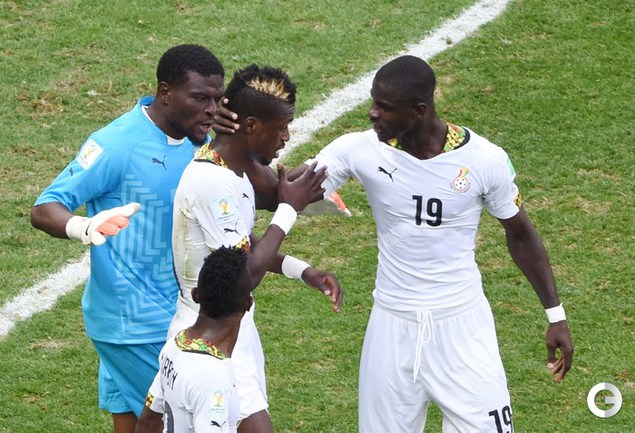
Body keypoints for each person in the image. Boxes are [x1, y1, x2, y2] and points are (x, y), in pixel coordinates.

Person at [215, 55, 574, 433]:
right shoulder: (359, 150)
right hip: (390, 325)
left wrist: (556, 315)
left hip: (462, 326)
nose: (372, 113)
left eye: (384, 107)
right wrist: (226, 138)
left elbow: (521, 234)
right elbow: (281, 191)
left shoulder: (485, 160)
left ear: (419, 110)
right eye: (373, 102)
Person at [31, 44, 226, 433]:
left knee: (131, 425)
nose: (211, 110)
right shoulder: (118, 143)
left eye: (217, 99)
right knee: (181, 424)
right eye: (200, 98)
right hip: (134, 323)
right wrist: (84, 227)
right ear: (165, 92)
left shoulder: (199, 141)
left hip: (166, 315)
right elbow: (45, 207)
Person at [168, 64, 343, 433]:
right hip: (209, 337)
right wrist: (288, 210)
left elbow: (244, 246)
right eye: (281, 127)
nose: (287, 137)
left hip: (230, 330)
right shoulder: (213, 184)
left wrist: (302, 270)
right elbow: (244, 275)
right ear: (250, 126)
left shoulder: (235, 169)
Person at [136, 246, 252, 433]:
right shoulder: (213, 375)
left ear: (196, 295)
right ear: (248, 304)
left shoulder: (175, 346)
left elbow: (148, 422)